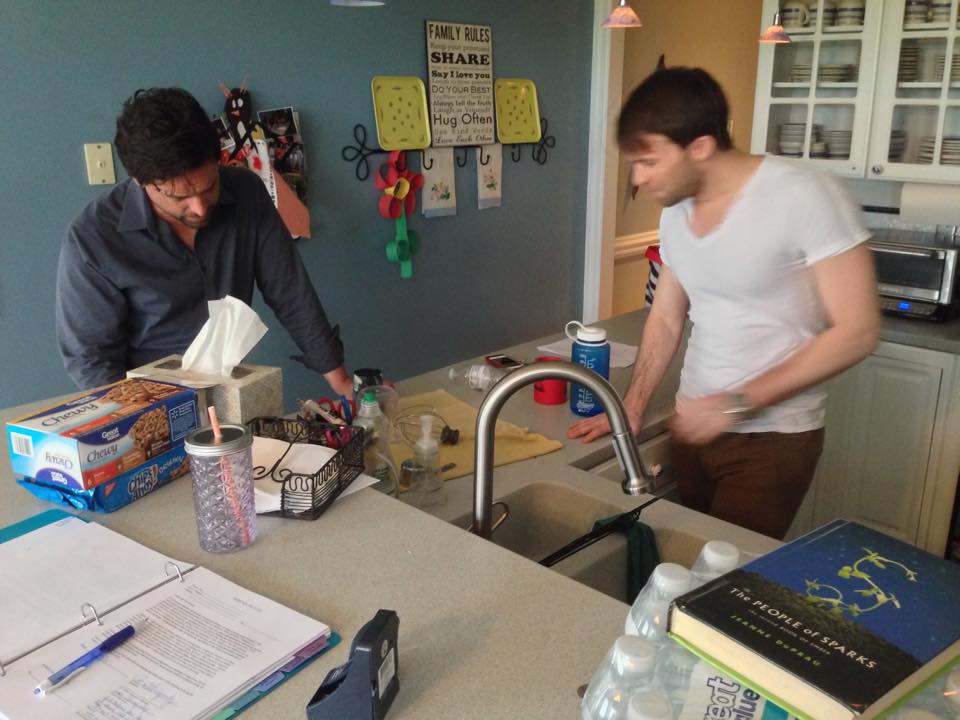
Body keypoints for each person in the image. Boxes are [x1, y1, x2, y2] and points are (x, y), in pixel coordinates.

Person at [569, 68, 880, 539]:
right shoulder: (675, 210)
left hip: (772, 439)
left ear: (700, 146)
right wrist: (632, 406)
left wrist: (734, 405)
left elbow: (857, 331)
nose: (638, 178)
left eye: (648, 161)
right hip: (692, 425)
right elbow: (666, 317)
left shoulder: (804, 195)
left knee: (723, 577)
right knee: (686, 563)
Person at [56, 87, 353, 396]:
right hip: (147, 400)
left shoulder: (247, 192)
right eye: (179, 197)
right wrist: (143, 415)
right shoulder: (93, 238)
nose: (199, 208)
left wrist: (342, 382)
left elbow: (290, 291)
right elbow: (89, 359)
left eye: (209, 187)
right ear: (141, 182)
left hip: (230, 388)